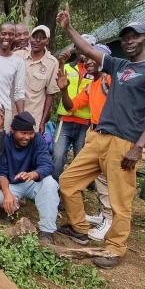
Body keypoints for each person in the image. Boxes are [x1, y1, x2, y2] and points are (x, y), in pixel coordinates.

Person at [56, 6, 145, 268]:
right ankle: (79, 229)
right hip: (98, 137)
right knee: (67, 181)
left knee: (119, 199)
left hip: (124, 142)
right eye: (125, 37)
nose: (129, 41)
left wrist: (139, 147)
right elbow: (88, 50)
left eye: (134, 36)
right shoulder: (118, 64)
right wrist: (67, 27)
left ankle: (115, 247)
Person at [56, 44, 113, 241]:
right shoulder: (92, 86)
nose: (88, 60)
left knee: (109, 181)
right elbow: (70, 106)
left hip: (114, 136)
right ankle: (80, 228)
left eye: (93, 57)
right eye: (86, 57)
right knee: (69, 180)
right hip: (94, 134)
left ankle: (110, 221)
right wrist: (64, 90)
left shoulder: (111, 80)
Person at [0, 112, 59, 245]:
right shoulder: (5, 140)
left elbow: (47, 165)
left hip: (32, 181)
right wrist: (7, 193)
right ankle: (11, 209)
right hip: (12, 183)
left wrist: (32, 174)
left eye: (30, 133)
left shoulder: (38, 139)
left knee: (50, 183)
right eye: (23, 133)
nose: (27, 137)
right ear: (13, 130)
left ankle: (47, 231)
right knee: (0, 197)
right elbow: (0, 170)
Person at [51, 35, 97, 181]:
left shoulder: (95, 71)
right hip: (65, 120)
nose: (83, 50)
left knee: (80, 159)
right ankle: (54, 189)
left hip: (85, 122)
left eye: (87, 47)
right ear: (76, 48)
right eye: (80, 46)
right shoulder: (67, 67)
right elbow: (57, 85)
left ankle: (73, 192)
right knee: (58, 156)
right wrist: (61, 63)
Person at [13, 25, 60, 132]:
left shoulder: (52, 63)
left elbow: (50, 93)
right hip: (12, 114)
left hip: (33, 118)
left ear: (47, 41)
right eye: (35, 36)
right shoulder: (17, 55)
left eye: (42, 37)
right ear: (30, 38)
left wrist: (43, 122)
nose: (37, 40)